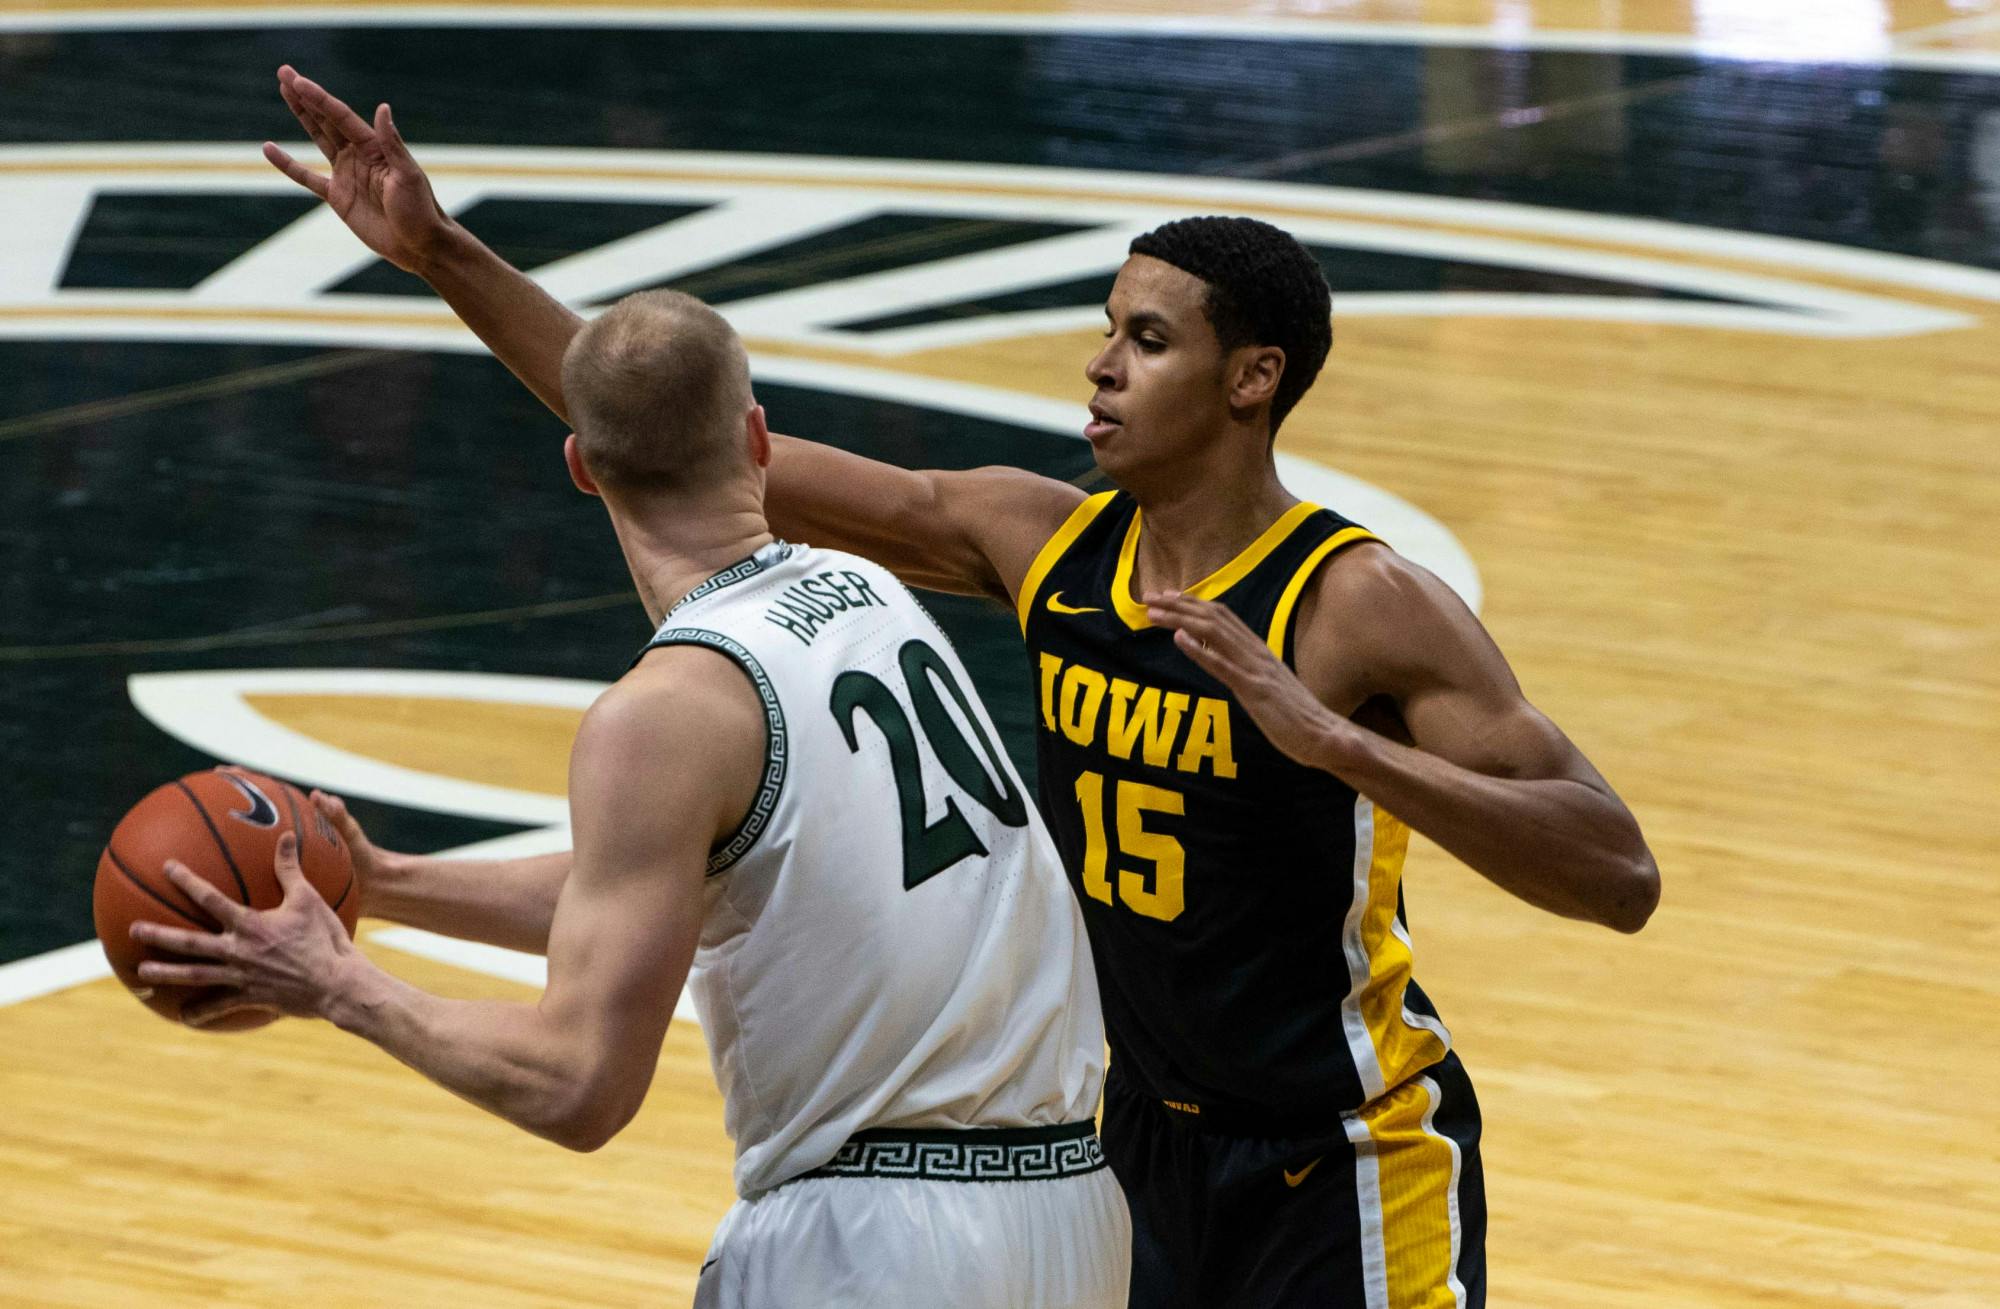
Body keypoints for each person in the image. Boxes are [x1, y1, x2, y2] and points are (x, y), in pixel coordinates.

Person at [262, 65, 1662, 1308]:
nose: (1102, 369)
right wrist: (442, 255)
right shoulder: (1037, 539)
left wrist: (1332, 744)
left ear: (1255, 378)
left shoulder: (1355, 603)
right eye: (1109, 329)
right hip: (1120, 1147)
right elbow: (671, 437)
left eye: (1150, 343)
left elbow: (1617, 870)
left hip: (1337, 1148)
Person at [130, 289, 1131, 1309]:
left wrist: (339, 984)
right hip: (1072, 1213)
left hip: (875, 1244)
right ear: (755, 439)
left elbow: (578, 1084)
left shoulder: (662, 713)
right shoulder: (865, 590)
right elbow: (701, 872)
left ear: (580, 467)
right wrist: (385, 883)